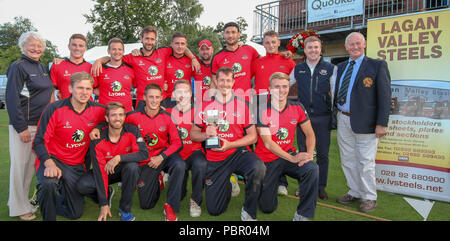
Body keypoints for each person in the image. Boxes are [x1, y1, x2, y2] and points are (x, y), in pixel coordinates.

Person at [191, 66, 266, 221]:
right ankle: (227, 182)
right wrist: (206, 134)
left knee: (258, 167)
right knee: (214, 210)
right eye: (221, 80)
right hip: (216, 158)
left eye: (228, 80)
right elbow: (193, 134)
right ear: (216, 81)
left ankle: (249, 210)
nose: (224, 84)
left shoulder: (242, 104)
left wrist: (230, 145)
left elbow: (253, 137)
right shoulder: (205, 105)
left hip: (236, 153)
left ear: (233, 82)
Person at [32, 72, 106, 221]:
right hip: (54, 159)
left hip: (76, 165)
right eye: (80, 88)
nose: (84, 92)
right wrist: (49, 163)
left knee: (74, 213)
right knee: (48, 184)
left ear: (92, 91)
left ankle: (45, 199)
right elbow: (39, 141)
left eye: (88, 89)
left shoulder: (98, 110)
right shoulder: (54, 109)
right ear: (70, 88)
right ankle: (46, 199)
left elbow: (115, 120)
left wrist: (99, 126)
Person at [334, 32, 391, 212]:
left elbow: (385, 96)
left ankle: (369, 197)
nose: (355, 47)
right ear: (346, 47)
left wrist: (382, 123)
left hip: (366, 122)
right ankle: (355, 191)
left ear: (364, 43)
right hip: (343, 118)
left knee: (365, 162)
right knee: (348, 159)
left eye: (358, 43)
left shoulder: (377, 65)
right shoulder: (341, 66)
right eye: (351, 44)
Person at [255, 72, 318, 221]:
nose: (281, 90)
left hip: (287, 156)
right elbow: (268, 143)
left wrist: (309, 155)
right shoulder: (261, 109)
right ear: (270, 89)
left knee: (312, 169)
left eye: (284, 86)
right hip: (267, 160)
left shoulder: (297, 107)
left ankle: (303, 215)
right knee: (267, 208)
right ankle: (270, 182)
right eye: (277, 87)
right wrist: (293, 157)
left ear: (289, 88)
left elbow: (310, 134)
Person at [6, 31, 55, 221]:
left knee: (32, 169)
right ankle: (19, 209)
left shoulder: (42, 67)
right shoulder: (18, 67)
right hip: (26, 127)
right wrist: (21, 127)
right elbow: (12, 98)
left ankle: (23, 203)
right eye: (31, 45)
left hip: (41, 126)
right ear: (23, 47)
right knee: (21, 168)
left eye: (39, 46)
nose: (35, 49)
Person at [92, 26, 199, 110]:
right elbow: (115, 56)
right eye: (147, 38)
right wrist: (99, 60)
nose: (149, 42)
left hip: (161, 99)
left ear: (155, 40)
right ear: (141, 39)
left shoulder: (163, 52)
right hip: (142, 101)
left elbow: (181, 47)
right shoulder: (133, 57)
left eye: (152, 39)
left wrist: (193, 58)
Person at [121, 83, 184, 221]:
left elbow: (178, 143)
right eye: (151, 97)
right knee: (146, 205)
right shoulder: (132, 116)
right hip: (145, 159)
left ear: (161, 98)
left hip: (164, 156)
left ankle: (170, 206)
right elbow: (115, 124)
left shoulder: (167, 117)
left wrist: (161, 157)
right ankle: (157, 180)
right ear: (144, 97)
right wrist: (98, 129)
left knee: (180, 165)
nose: (154, 100)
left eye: (157, 97)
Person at [77, 102, 148, 221]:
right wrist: (103, 204)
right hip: (105, 170)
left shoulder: (132, 130)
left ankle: (124, 209)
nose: (118, 118)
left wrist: (119, 158)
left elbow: (143, 154)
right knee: (82, 185)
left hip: (125, 169)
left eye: (121, 115)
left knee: (132, 167)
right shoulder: (97, 139)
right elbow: (100, 172)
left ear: (125, 117)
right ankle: (107, 194)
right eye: (114, 115)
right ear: (107, 118)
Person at [289, 36, 337, 200]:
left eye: (316, 47)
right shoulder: (298, 68)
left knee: (322, 154)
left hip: (323, 117)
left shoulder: (331, 68)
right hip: (303, 118)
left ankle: (320, 187)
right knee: (303, 153)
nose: (313, 50)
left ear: (320, 49)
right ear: (305, 50)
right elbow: (283, 84)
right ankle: (304, 186)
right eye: (310, 48)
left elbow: (335, 93)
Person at [163, 80, 207, 217]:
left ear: (191, 94)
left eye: (186, 92)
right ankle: (170, 204)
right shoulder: (166, 113)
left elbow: (206, 135)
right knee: (179, 191)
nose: (182, 95)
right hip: (175, 155)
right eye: (179, 92)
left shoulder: (199, 112)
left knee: (201, 164)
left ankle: (195, 200)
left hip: (194, 151)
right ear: (173, 94)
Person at [211, 22, 260, 100]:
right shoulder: (217, 57)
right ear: (224, 35)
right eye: (227, 32)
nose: (230, 36)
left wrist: (282, 54)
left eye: (233, 32)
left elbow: (263, 61)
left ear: (239, 34)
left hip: (246, 101)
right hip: (226, 102)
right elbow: (214, 82)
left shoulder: (249, 50)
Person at [93, 38, 135, 112]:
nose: (117, 52)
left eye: (119, 49)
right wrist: (106, 93)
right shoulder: (99, 68)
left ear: (123, 51)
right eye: (114, 49)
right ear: (108, 51)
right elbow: (92, 89)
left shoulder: (131, 69)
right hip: (106, 113)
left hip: (126, 112)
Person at [251, 30, 296, 95]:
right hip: (260, 99)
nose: (271, 45)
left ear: (279, 43)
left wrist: (284, 89)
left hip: (279, 98)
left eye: (273, 42)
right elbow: (244, 78)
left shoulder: (288, 61)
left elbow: (297, 76)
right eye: (267, 43)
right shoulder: (256, 62)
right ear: (263, 44)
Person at [50, 34, 92, 100]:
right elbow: (50, 92)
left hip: (88, 108)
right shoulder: (57, 66)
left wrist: (101, 60)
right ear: (69, 46)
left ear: (85, 48)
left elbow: (99, 90)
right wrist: (53, 108)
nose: (77, 48)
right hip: (65, 108)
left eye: (81, 46)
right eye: (74, 45)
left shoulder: (92, 67)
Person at [164, 32, 195, 99]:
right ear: (172, 44)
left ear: (186, 45)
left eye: (182, 44)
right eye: (177, 43)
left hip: (186, 99)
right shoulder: (165, 59)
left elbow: (199, 76)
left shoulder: (192, 60)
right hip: (169, 99)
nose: (180, 46)